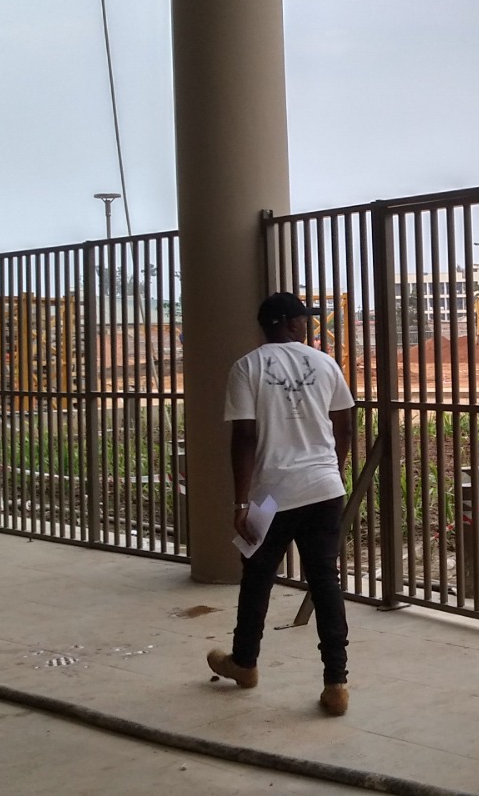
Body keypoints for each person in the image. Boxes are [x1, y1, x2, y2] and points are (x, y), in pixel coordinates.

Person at [207, 292, 356, 716]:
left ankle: (245, 663)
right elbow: (344, 423)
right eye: (303, 319)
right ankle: (336, 684)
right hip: (324, 487)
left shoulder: (246, 368)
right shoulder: (324, 363)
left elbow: (245, 437)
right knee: (326, 581)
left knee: (257, 578)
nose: (307, 325)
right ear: (288, 323)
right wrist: (333, 471)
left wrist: (240, 501)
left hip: (272, 492)